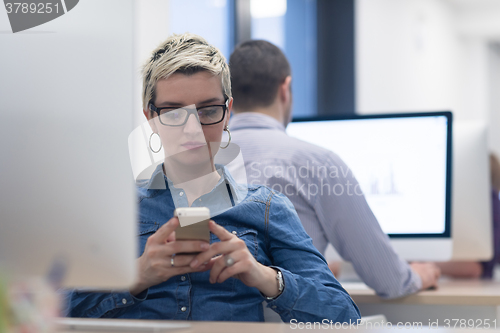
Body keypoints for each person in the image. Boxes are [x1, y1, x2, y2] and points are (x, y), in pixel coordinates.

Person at [64, 33, 360, 323]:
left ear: (228, 111)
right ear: (151, 119)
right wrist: (137, 274)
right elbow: (47, 311)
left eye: (207, 111)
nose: (192, 129)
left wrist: (263, 276)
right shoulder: (115, 208)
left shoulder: (267, 208)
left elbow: (343, 316)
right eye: (174, 113)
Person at [228, 40, 441, 299]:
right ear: (285, 89)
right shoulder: (318, 162)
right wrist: (418, 275)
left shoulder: (196, 164)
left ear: (228, 98)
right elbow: (388, 280)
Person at [437, 153, 500, 278]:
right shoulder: (491, 204)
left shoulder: (486, 202)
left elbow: (474, 267)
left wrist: (415, 263)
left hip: (474, 285)